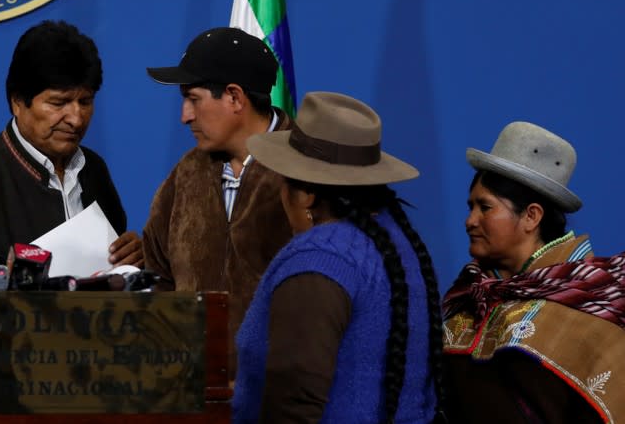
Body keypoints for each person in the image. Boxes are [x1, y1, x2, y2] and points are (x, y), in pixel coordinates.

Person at [232, 92, 443, 423]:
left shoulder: (318, 258)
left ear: (307, 196)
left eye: (283, 185)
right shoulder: (401, 243)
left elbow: (294, 402)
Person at [0, 20, 141, 287]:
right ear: (17, 102)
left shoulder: (94, 169)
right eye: (59, 102)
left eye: (85, 102)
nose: (76, 119)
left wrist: (132, 260)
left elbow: (117, 278)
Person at [442, 121, 625, 423]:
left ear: (531, 216)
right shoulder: (471, 299)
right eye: (470, 207)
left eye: (484, 208)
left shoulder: (592, 310)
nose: (469, 221)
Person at [138, 26, 293, 377]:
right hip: (191, 397)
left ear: (235, 98)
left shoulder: (307, 174)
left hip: (280, 401)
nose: (184, 116)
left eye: (193, 99)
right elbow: (157, 276)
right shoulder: (186, 174)